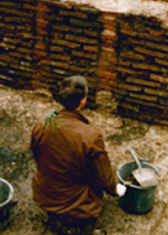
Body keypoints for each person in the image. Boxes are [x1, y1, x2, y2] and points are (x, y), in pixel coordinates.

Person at [31, 76, 124, 235]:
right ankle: (74, 223)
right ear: (82, 102)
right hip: (74, 203)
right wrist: (115, 188)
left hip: (44, 194)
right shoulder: (90, 136)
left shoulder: (43, 122)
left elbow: (36, 152)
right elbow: (103, 175)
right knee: (95, 182)